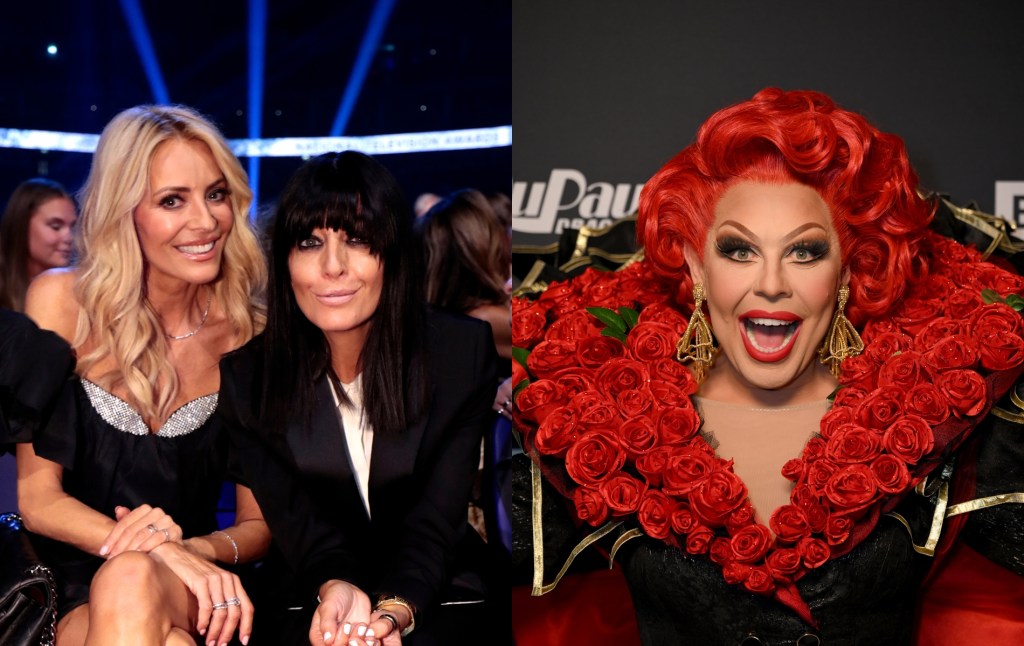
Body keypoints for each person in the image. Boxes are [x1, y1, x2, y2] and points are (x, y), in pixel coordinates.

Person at [512, 88, 1024, 644]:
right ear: (696, 265)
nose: (772, 284)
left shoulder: (942, 409)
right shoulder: (594, 415)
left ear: (851, 270)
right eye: (739, 250)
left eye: (805, 252)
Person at [218, 151, 500, 645]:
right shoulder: (249, 376)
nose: (332, 267)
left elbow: (435, 520)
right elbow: (298, 526)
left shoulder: (458, 352)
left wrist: (393, 611)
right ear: (285, 260)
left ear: (393, 253)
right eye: (310, 243)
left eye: (358, 241)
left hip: (436, 592)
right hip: (311, 594)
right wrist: (337, 587)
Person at [16, 104, 270, 646]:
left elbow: (259, 525)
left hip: (198, 584)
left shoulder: (251, 336)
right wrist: (156, 546)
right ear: (124, 210)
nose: (204, 221)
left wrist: (191, 554)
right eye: (172, 200)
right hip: (66, 584)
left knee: (133, 582)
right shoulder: (61, 302)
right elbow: (38, 502)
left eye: (216, 194)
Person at [0, 178, 77, 312]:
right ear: (22, 226)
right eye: (56, 226)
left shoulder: (77, 291)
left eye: (72, 227)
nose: (69, 238)